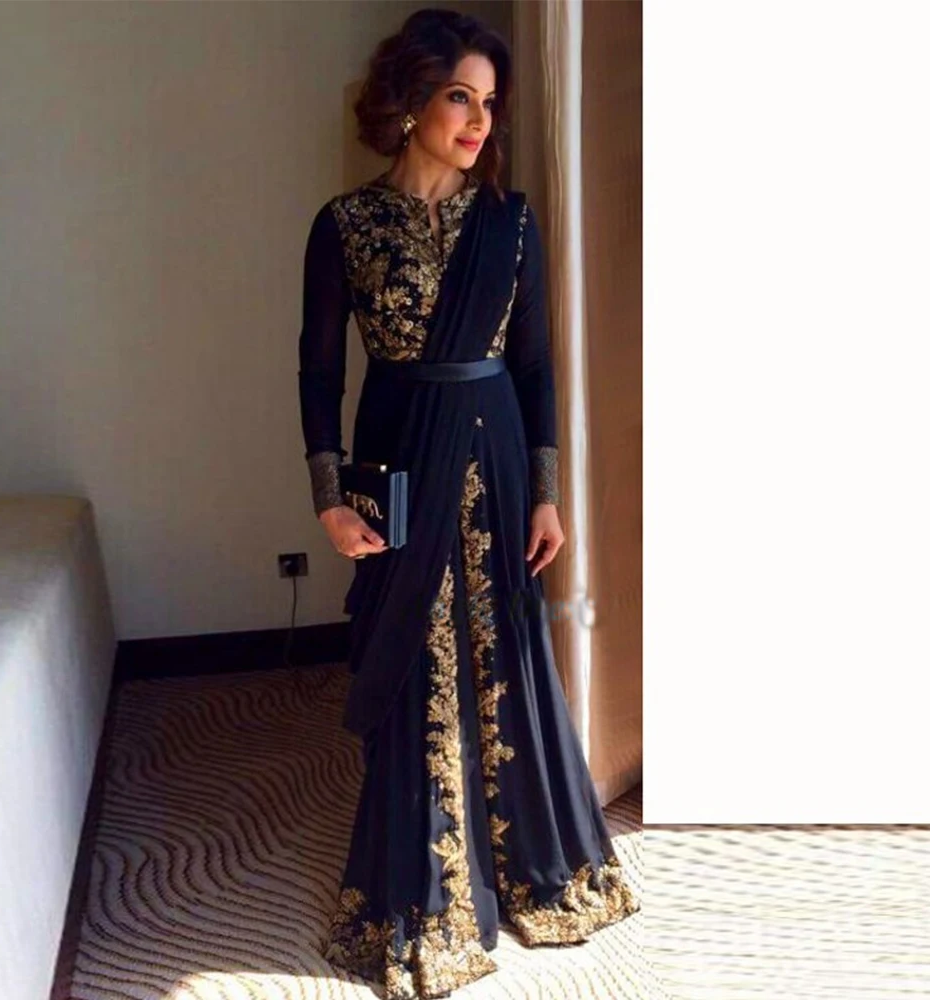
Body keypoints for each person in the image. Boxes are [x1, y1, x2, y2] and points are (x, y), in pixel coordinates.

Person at [297, 9, 639, 998]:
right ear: (411, 101)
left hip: (494, 452)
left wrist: (547, 495)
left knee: (503, 651)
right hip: (399, 451)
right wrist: (328, 498)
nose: (481, 121)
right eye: (460, 97)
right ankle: (429, 882)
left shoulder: (511, 223)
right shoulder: (344, 224)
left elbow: (534, 368)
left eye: (490, 102)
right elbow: (318, 372)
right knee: (410, 649)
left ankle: (525, 863)